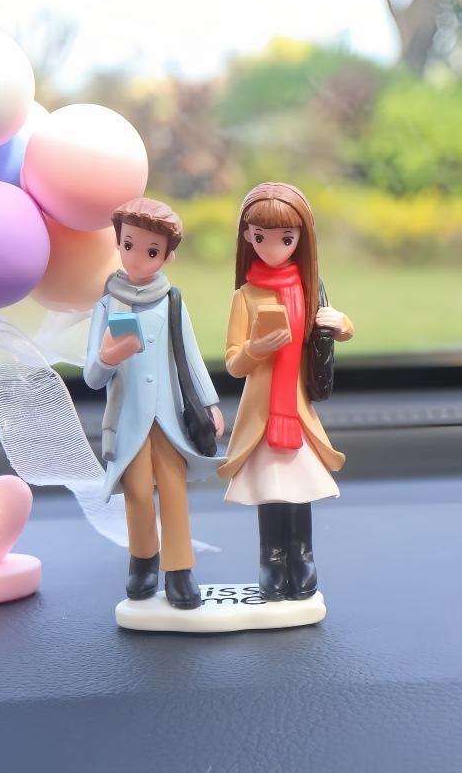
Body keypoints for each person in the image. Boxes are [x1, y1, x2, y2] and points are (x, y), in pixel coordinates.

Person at [83, 198, 224, 609]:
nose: (136, 257)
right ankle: (143, 560)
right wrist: (107, 357)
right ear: (118, 243)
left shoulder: (171, 300)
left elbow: (189, 354)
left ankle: (180, 569)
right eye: (129, 245)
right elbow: (92, 376)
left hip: (169, 417)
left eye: (151, 250)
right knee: (139, 493)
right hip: (128, 419)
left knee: (175, 492)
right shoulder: (107, 304)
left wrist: (210, 402)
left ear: (167, 256)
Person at [218, 182, 354, 600]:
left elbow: (340, 330)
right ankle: (271, 558)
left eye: (286, 239)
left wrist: (340, 323)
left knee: (298, 489)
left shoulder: (309, 289)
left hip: (296, 410)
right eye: (261, 237)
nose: (273, 248)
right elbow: (233, 362)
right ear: (247, 236)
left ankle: (302, 554)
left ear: (301, 239)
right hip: (262, 412)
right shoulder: (245, 296)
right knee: (270, 489)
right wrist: (256, 349)